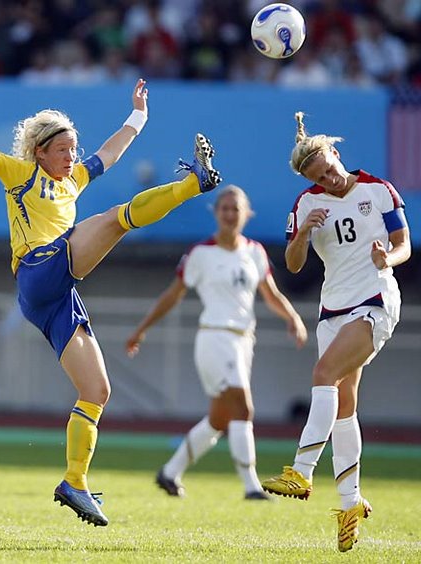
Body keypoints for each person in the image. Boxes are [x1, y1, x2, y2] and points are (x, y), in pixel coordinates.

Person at [0, 78, 221, 527]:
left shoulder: (75, 178)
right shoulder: (21, 175)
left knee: (97, 390)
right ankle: (193, 183)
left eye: (73, 149)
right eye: (62, 150)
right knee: (115, 219)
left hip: (55, 295)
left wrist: (138, 114)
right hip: (37, 268)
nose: (71, 156)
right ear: (39, 152)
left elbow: (112, 151)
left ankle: (74, 482)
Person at [261, 112, 411, 552]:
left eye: (328, 168)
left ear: (335, 153)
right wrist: (303, 234)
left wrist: (388, 259)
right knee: (344, 405)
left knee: (324, 374)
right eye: (318, 177)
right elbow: (292, 265)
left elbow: (403, 243)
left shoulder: (378, 190)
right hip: (332, 309)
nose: (328, 179)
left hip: (375, 300)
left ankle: (302, 471)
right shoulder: (306, 204)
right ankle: (349, 505)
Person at [125, 184, 308, 501]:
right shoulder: (201, 253)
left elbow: (271, 293)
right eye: (224, 208)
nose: (229, 214)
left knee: (219, 419)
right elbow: (173, 294)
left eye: (235, 208)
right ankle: (251, 486)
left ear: (246, 214)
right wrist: (142, 328)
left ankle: (170, 472)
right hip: (214, 337)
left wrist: (292, 317)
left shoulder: (254, 251)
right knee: (243, 407)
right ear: (215, 213)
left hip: (244, 340)